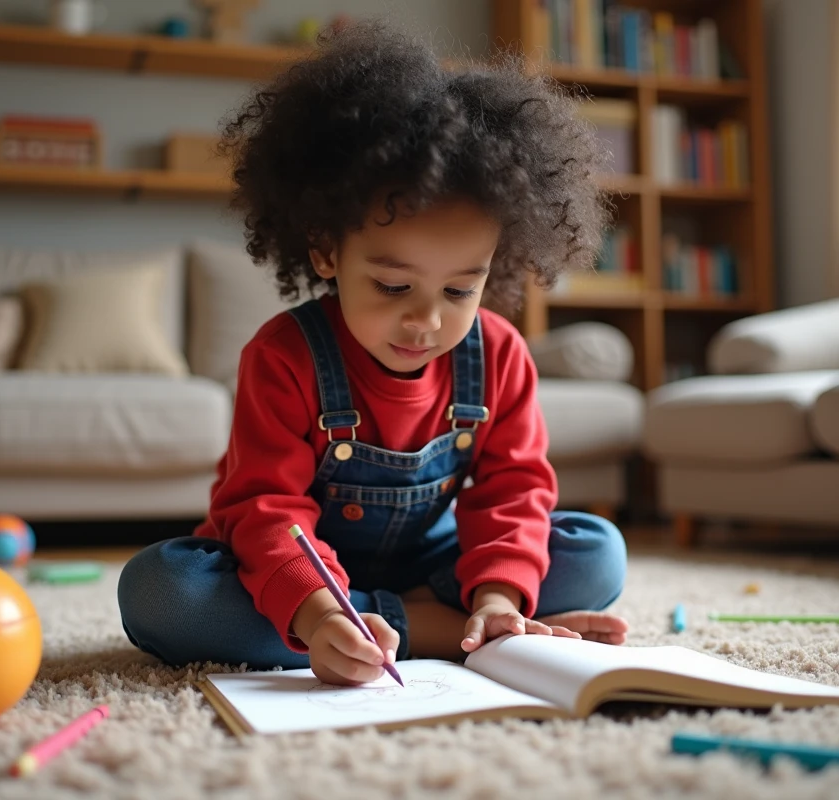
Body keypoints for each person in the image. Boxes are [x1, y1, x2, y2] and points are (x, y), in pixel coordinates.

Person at [118, 20, 629, 686]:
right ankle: (429, 631)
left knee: (597, 553)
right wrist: (320, 613)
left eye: (459, 287)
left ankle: (445, 624)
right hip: (293, 573)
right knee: (161, 590)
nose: (425, 318)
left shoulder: (499, 355)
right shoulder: (283, 356)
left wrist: (499, 598)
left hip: (434, 562)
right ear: (327, 249)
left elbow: (514, 491)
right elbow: (265, 510)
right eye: (393, 285)